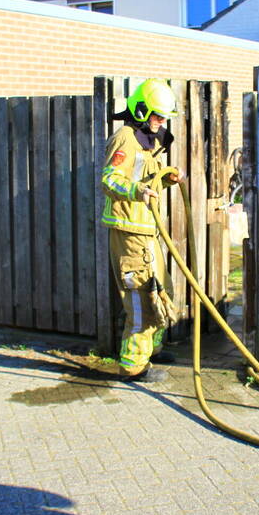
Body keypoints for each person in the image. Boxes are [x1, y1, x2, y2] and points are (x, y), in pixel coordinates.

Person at [100, 78, 183, 379]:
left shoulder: (149, 141)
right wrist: (137, 191)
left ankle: (152, 351)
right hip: (128, 232)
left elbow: (144, 180)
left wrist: (164, 180)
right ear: (141, 109)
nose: (161, 123)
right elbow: (109, 180)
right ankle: (133, 366)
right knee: (140, 298)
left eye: (164, 118)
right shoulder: (125, 138)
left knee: (162, 291)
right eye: (157, 116)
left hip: (147, 231)